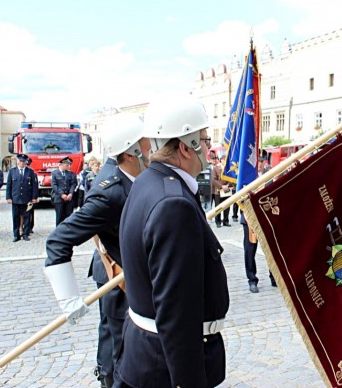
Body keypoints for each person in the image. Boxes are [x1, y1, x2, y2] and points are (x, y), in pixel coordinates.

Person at [114, 96, 229, 388]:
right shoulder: (173, 204)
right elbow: (177, 312)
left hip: (147, 354)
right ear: (184, 147)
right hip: (163, 367)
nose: (207, 148)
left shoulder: (146, 183)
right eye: (203, 140)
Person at [45, 113, 149, 388]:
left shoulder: (129, 175)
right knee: (119, 347)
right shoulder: (110, 192)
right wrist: (68, 298)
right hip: (117, 279)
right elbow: (58, 240)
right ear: (131, 152)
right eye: (147, 143)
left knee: (116, 339)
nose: (154, 148)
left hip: (124, 274)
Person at [6, 154, 38, 242]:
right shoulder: (12, 171)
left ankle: (25, 234)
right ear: (17, 162)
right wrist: (8, 197)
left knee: (27, 217)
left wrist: (34, 197)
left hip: (27, 198)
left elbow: (34, 186)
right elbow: (9, 185)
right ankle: (16, 235)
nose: (22, 163)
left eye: (23, 162)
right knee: (15, 217)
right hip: (16, 198)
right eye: (20, 161)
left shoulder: (30, 172)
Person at [51, 157, 77, 226]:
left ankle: (68, 232)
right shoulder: (54, 173)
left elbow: (73, 184)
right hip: (59, 199)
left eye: (69, 165)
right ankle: (58, 233)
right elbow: (54, 185)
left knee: (69, 216)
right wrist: (62, 194)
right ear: (61, 164)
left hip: (69, 198)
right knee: (59, 217)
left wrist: (71, 193)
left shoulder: (71, 174)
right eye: (67, 165)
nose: (69, 166)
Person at [211, 157, 232, 227]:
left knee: (227, 206)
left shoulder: (229, 168)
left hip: (227, 190)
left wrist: (228, 185)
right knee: (218, 207)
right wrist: (221, 186)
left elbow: (232, 178)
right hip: (218, 191)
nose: (225, 161)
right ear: (221, 160)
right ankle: (218, 222)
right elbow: (213, 180)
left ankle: (226, 221)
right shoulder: (216, 168)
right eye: (224, 159)